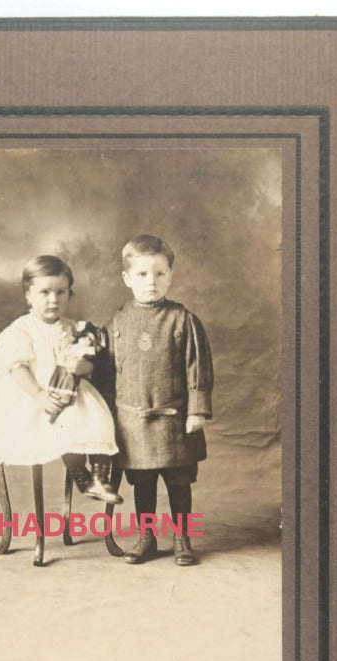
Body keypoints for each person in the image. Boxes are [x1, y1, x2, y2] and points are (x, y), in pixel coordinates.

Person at [96, 234, 213, 565]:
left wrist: (197, 411)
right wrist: (106, 418)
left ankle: (182, 538)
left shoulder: (182, 320)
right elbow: (106, 376)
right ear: (127, 278)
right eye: (143, 274)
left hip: (175, 421)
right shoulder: (116, 323)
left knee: (179, 483)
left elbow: (198, 367)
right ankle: (146, 536)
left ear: (170, 276)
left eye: (160, 274)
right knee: (142, 483)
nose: (152, 282)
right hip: (133, 424)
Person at [0, 255, 122, 504]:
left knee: (97, 419)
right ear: (28, 295)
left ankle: (99, 478)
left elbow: (86, 363)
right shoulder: (21, 330)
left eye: (61, 292)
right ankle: (81, 475)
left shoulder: (75, 328)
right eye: (45, 292)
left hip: (69, 393)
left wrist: (83, 365)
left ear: (69, 294)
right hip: (32, 395)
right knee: (67, 428)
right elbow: (17, 367)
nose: (54, 299)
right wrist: (39, 395)